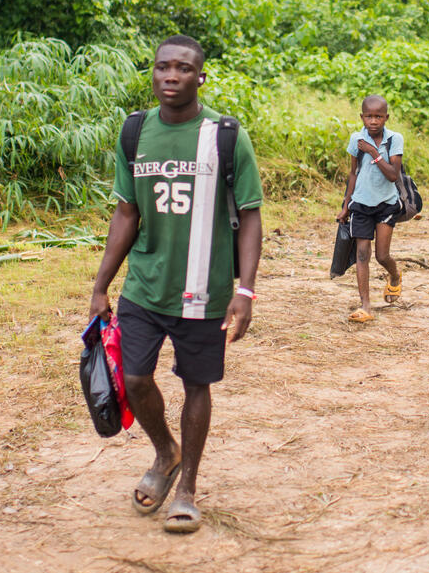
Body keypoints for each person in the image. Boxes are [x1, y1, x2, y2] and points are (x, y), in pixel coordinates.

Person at [89, 35, 263, 534]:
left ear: (199, 77)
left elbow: (250, 216)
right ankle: (165, 451)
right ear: (153, 74)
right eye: (163, 67)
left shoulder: (226, 136)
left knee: (196, 384)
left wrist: (245, 290)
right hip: (144, 286)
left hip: (205, 290)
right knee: (136, 379)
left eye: (183, 69)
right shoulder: (134, 132)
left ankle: (187, 486)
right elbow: (126, 211)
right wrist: (102, 284)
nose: (171, 76)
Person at [336, 95, 405, 322]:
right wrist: (346, 205)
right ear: (362, 117)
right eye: (369, 116)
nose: (373, 121)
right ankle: (366, 306)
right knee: (362, 254)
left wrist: (374, 153)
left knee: (382, 255)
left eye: (378, 116)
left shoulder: (394, 139)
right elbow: (353, 173)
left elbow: (393, 175)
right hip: (361, 203)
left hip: (386, 204)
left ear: (386, 117)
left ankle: (394, 276)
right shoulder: (356, 139)